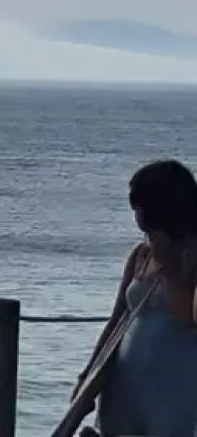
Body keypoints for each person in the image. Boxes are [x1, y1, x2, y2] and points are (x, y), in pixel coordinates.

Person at [73, 159, 197, 437]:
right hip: (126, 382)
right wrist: (88, 375)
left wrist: (167, 267)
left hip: (173, 385)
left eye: (139, 206)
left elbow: (190, 316)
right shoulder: (140, 255)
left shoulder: (191, 256)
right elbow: (117, 320)